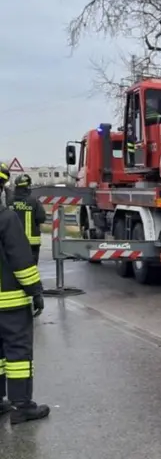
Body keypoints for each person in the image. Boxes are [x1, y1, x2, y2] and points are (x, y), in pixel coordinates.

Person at [0, 164, 50, 425]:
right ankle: (22, 406)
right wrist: (36, 291)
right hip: (9, 302)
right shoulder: (6, 218)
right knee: (17, 353)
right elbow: (21, 261)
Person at [10, 174, 46, 264]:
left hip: (13, 241)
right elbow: (41, 218)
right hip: (32, 242)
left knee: (15, 265)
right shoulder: (34, 201)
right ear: (28, 186)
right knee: (31, 266)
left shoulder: (10, 201)